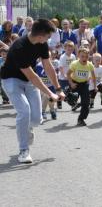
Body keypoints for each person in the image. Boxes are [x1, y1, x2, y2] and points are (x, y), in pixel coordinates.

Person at [0, 19, 65, 164]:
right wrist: (50, 94)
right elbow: (33, 76)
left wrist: (58, 89)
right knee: (24, 111)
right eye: (48, 36)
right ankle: (24, 150)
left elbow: (48, 67)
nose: (49, 39)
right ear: (41, 35)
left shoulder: (42, 44)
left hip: (29, 82)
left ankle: (27, 127)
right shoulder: (19, 47)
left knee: (36, 119)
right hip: (11, 79)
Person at [67, 47, 96, 126]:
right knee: (73, 98)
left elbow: (93, 77)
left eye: (86, 57)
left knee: (86, 103)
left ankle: (81, 119)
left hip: (84, 84)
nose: (84, 58)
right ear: (78, 56)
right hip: (75, 83)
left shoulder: (90, 65)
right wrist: (71, 84)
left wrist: (95, 86)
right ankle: (70, 98)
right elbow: (68, 74)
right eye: (82, 56)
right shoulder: (75, 64)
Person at [58, 41, 76, 109]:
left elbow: (74, 66)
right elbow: (60, 67)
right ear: (65, 48)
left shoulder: (73, 56)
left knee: (71, 92)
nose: (70, 51)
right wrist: (64, 75)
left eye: (71, 49)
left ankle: (73, 105)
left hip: (71, 77)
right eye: (68, 49)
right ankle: (59, 100)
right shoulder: (63, 57)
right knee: (65, 92)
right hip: (63, 78)